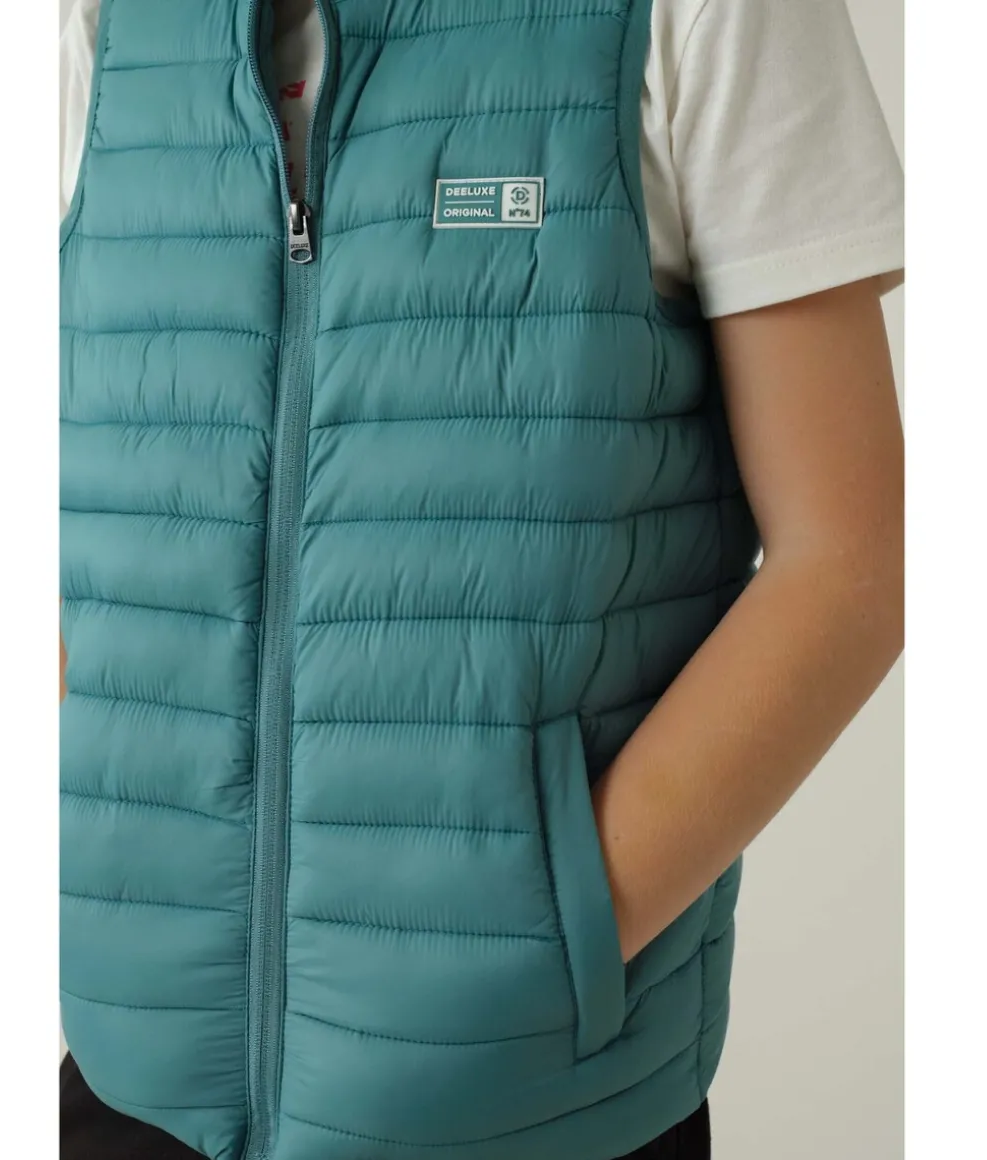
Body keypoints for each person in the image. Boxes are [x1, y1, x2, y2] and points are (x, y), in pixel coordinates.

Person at [58, 0, 904, 1157]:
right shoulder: (99, 26)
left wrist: (551, 935)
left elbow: (852, 559)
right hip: (132, 1084)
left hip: (529, 1098)